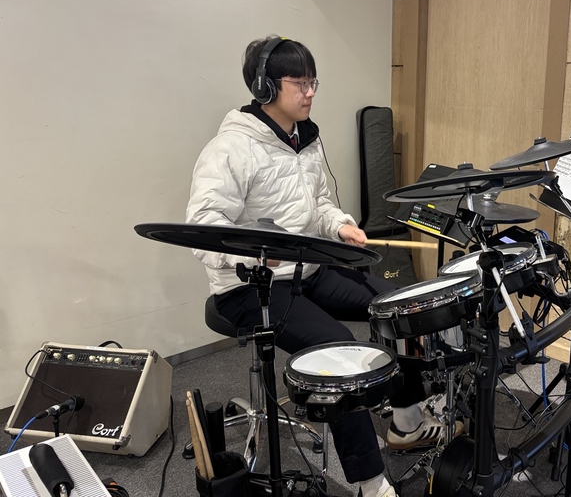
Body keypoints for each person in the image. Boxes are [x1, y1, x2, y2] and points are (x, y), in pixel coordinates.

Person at [186, 35, 460, 497]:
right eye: (300, 83)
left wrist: (340, 225)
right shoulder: (230, 148)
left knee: (395, 306)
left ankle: (407, 422)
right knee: (338, 349)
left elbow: (318, 205)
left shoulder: (305, 139)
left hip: (307, 271)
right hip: (250, 288)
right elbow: (203, 226)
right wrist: (254, 253)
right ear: (265, 86)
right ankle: (370, 484)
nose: (310, 92)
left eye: (314, 82)